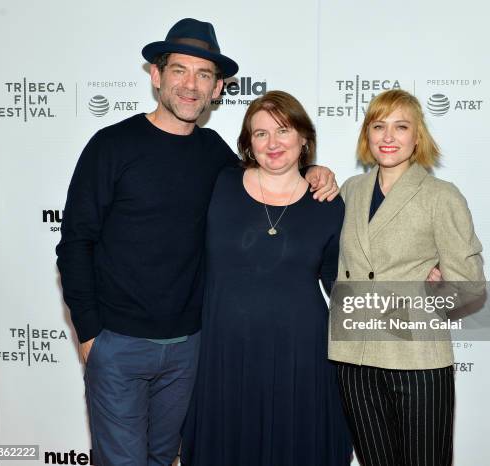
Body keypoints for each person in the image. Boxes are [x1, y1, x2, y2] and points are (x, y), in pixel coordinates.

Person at [56, 19, 338, 466]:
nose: (191, 85)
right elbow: (74, 242)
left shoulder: (215, 155)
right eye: (180, 71)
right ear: (156, 75)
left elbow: (269, 173)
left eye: (204, 75)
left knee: (165, 457)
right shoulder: (110, 146)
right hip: (120, 344)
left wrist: (314, 172)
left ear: (218, 89)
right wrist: (89, 332)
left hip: (190, 349)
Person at [181, 91, 351, 466]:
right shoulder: (219, 184)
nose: (272, 143)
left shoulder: (327, 201)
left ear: (304, 139)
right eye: (260, 134)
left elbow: (340, 280)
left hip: (301, 354)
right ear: (248, 144)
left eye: (283, 131)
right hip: (223, 351)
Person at [329, 89, 485, 466]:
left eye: (401, 127)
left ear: (418, 137)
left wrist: (436, 292)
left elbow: (470, 288)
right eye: (378, 126)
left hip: (416, 358)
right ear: (367, 134)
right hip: (355, 358)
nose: (388, 137)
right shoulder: (350, 191)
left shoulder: (440, 196)